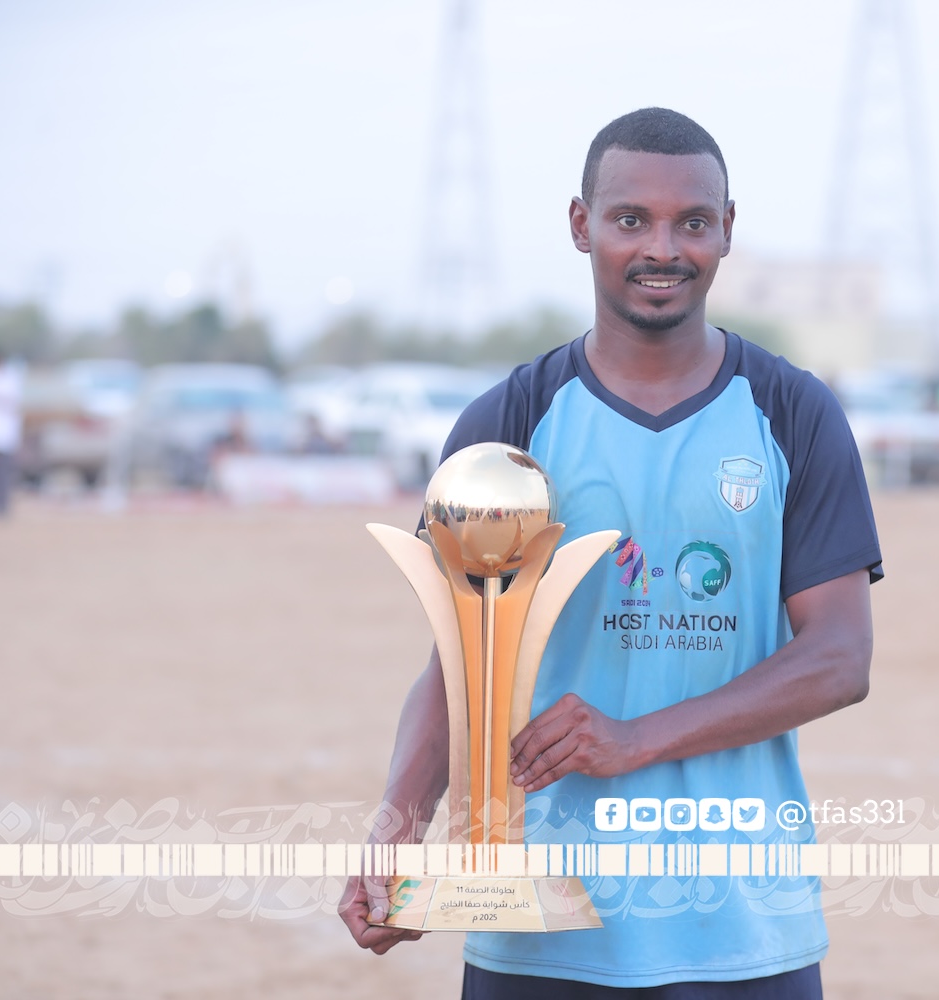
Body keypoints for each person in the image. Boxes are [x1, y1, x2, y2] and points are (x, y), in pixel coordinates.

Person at [339, 108, 882, 1000]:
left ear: (727, 231)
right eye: (632, 219)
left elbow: (838, 658)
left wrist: (635, 740)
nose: (662, 248)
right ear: (581, 224)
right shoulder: (509, 424)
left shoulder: (792, 412)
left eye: (691, 222)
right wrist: (397, 831)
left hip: (743, 931)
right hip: (538, 933)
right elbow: (457, 661)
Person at [0, 349, 24, 517]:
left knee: (4, 472)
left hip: (5, 434)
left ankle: (3, 505)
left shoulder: (10, 379)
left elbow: (13, 404)